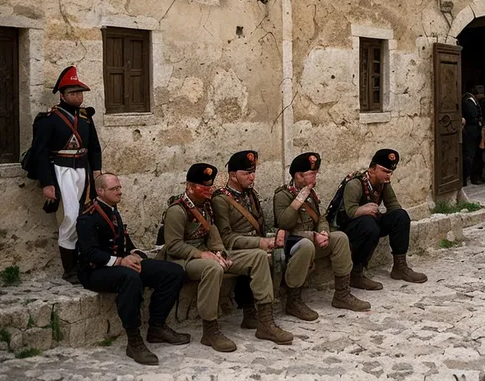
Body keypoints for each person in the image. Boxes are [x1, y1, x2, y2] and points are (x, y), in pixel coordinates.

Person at [76, 173, 190, 366]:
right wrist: (120, 261)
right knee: (130, 278)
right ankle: (134, 340)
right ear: (100, 191)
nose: (120, 191)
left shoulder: (112, 210)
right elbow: (90, 253)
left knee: (173, 272)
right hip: (95, 271)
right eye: (114, 189)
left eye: (119, 187)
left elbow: (122, 240)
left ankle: (157, 326)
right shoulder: (88, 217)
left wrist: (135, 253)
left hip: (120, 264)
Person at [273, 152, 370, 321]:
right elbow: (285, 223)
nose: (315, 176)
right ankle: (293, 301)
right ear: (298, 175)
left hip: (313, 240)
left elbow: (321, 218)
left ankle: (342, 294)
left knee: (340, 238)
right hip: (293, 244)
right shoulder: (283, 195)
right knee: (306, 245)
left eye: (316, 173)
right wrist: (300, 199)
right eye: (311, 173)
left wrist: (324, 231)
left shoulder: (312, 193)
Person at [212, 150, 294, 345]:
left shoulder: (251, 194)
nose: (252, 177)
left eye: (253, 172)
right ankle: (263, 319)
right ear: (233, 176)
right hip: (232, 249)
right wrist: (259, 243)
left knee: (280, 251)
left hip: (253, 246)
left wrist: (276, 234)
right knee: (260, 256)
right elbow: (226, 237)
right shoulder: (221, 199)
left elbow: (260, 226)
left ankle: (262, 311)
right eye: (246, 173)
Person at [30, 66, 102, 284]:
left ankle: (84, 261)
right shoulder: (49, 119)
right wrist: (47, 183)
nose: (78, 96)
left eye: (80, 92)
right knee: (69, 216)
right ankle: (68, 268)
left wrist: (96, 172)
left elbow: (94, 147)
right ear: (62, 95)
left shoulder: (86, 117)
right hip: (62, 171)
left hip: (83, 171)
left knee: (85, 216)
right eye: (73, 93)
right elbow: (39, 153)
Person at [155, 163, 237, 352]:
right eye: (204, 187)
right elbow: (174, 245)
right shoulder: (177, 210)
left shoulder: (206, 206)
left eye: (210, 186)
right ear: (189, 186)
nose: (209, 190)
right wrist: (202, 255)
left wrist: (219, 253)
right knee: (213, 268)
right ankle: (210, 329)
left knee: (246, 260)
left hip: (202, 254)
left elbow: (212, 232)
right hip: (180, 260)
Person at [336, 149, 428, 290]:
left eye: (390, 172)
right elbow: (350, 212)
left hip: (371, 222)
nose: (388, 176)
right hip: (352, 226)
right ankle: (356, 274)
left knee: (401, 216)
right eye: (385, 171)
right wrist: (364, 209)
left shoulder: (383, 183)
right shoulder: (355, 183)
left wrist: (395, 220)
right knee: (370, 224)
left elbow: (393, 205)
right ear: (372, 170)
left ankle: (400, 266)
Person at [462, 86, 484, 187]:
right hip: (471, 132)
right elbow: (473, 115)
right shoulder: (468, 101)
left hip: (475, 131)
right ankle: (465, 177)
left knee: (477, 155)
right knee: (469, 155)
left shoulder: (474, 101)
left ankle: (475, 176)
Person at [471, 85, 485, 185]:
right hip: (474, 132)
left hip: (479, 132)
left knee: (480, 156)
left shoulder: (479, 102)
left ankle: (479, 176)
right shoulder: (469, 101)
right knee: (475, 156)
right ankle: (474, 177)